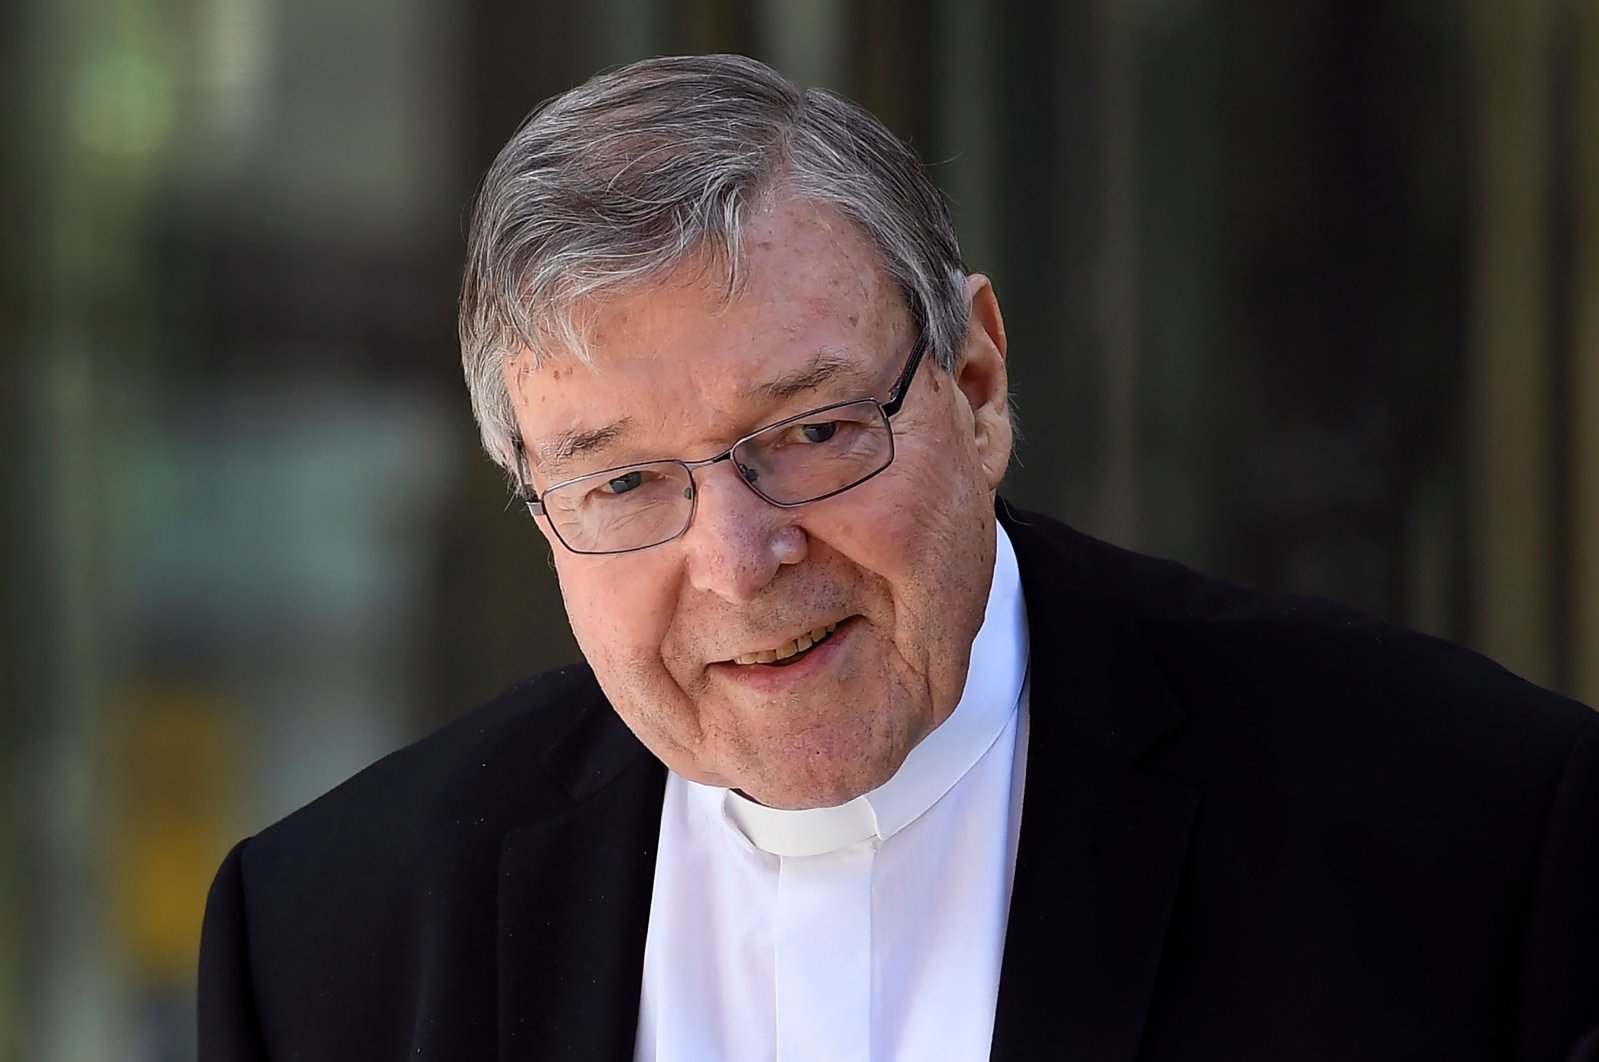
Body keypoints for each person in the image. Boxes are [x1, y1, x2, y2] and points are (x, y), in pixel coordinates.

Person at [198, 54, 1599, 1061]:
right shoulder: (325, 942)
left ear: (977, 384)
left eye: (808, 431)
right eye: (623, 481)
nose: (741, 561)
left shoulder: (1475, 833)